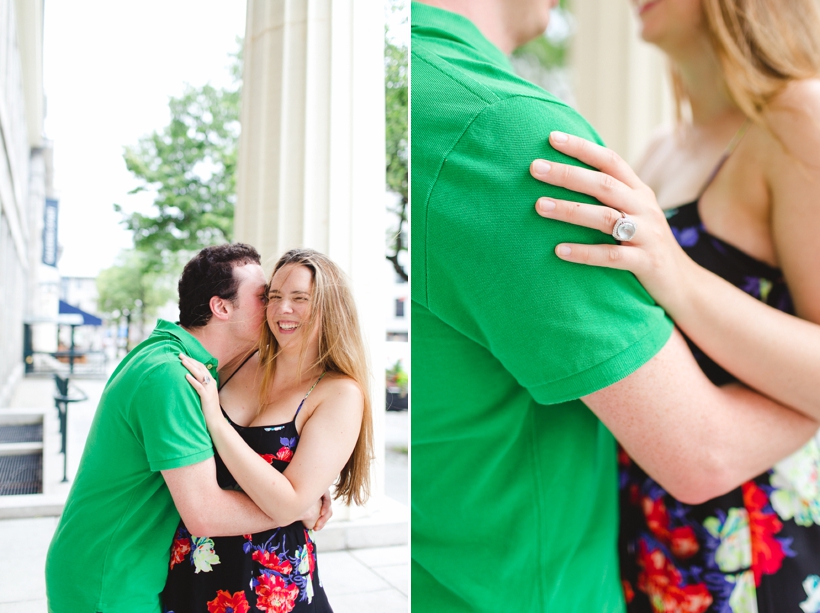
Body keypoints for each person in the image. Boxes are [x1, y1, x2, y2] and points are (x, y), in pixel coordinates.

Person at [410, 1, 819, 612]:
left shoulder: (799, 117)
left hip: (748, 543)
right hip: (642, 533)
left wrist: (678, 277)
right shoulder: (659, 149)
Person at [46, 244, 330, 613]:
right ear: (222, 307)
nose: (276, 308)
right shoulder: (171, 376)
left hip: (111, 567)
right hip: (109, 580)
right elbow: (205, 514)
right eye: (265, 297)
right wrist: (295, 506)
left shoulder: (174, 358)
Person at [161, 248, 372, 612]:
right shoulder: (238, 360)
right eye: (273, 297)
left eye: (299, 299)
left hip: (271, 587)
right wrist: (300, 502)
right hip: (194, 568)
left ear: (329, 307)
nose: (281, 309)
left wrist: (216, 421)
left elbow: (288, 500)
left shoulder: (338, 392)